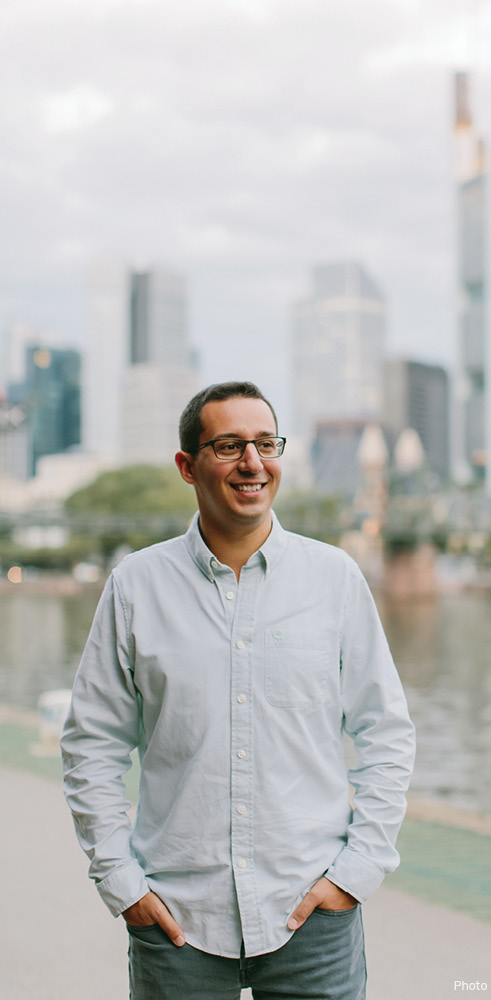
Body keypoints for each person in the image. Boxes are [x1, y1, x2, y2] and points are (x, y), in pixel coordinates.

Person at [61, 380, 415, 1000]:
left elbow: (385, 731)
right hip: (175, 922)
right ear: (187, 466)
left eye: (265, 443)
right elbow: (91, 744)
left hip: (314, 917)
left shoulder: (334, 579)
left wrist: (356, 873)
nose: (252, 463)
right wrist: (123, 883)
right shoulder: (136, 586)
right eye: (228, 445)